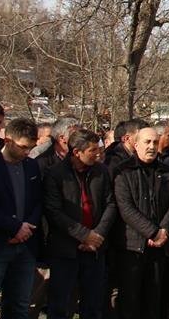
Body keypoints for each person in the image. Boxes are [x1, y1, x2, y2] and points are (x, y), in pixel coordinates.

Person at [44, 129, 116, 319]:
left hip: (95, 249)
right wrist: (84, 235)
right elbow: (54, 211)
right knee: (60, 303)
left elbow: (110, 204)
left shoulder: (101, 171)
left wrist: (97, 235)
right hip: (65, 248)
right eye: (92, 150)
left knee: (93, 303)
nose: (97, 154)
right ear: (77, 152)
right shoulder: (55, 174)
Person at [0, 117, 43, 319]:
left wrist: (27, 228)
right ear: (8, 141)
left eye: (30, 148)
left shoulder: (32, 166)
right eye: (23, 147)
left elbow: (38, 201)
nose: (27, 152)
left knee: (20, 304)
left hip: (26, 245)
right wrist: (14, 228)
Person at [113, 124, 169, 319]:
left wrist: (164, 230)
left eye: (155, 142)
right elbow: (125, 207)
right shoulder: (123, 171)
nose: (152, 146)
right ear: (135, 144)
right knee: (131, 299)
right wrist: (152, 232)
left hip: (159, 247)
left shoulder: (167, 171)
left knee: (154, 299)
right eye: (147, 142)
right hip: (132, 246)